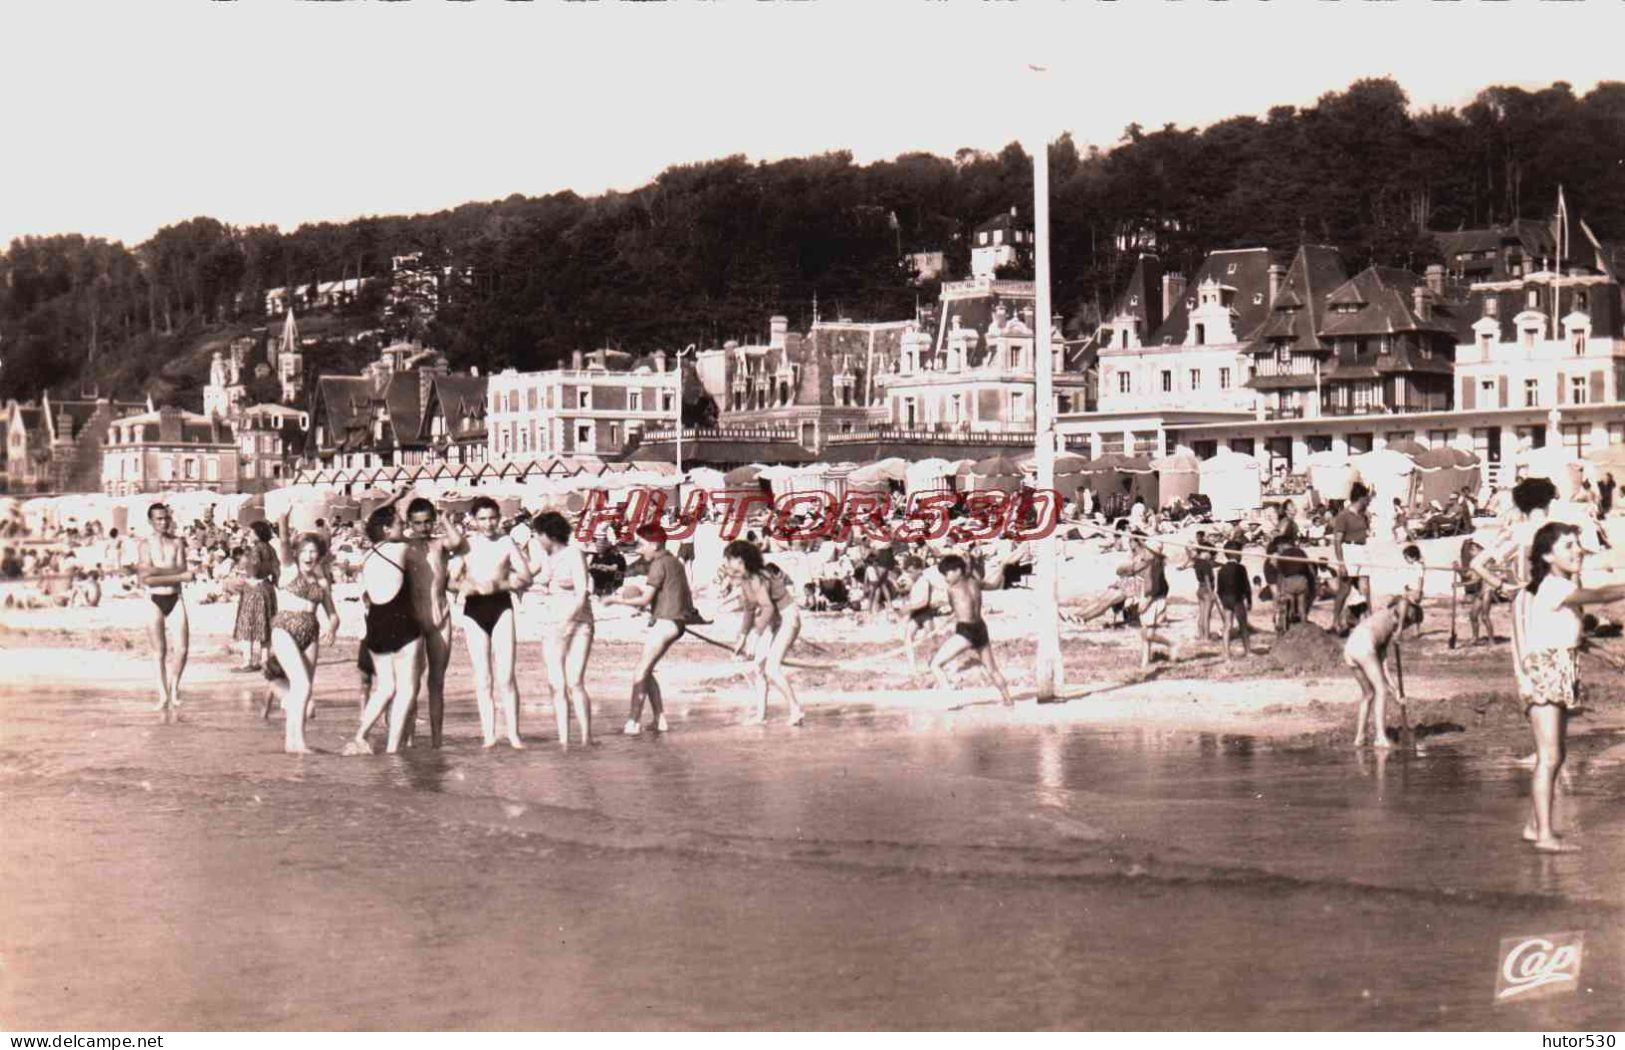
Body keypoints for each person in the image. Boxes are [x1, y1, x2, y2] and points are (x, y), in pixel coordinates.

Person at [1518, 522, 1625, 852]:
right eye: (1568, 546)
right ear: (1548, 555)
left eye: (1577, 544)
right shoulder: (1552, 586)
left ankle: (1536, 825)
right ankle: (1545, 836)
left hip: (1559, 672)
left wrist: (1605, 653)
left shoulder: (1559, 585)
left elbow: (1569, 637)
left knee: (1555, 754)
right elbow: (1602, 595)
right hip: (1546, 674)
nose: (1577, 550)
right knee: (1549, 756)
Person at [605, 522, 702, 735]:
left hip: (667, 623)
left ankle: (633, 722)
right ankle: (660, 720)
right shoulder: (674, 562)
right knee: (647, 670)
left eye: (641, 544)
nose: (639, 549)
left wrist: (615, 600)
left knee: (640, 671)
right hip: (675, 623)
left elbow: (645, 599)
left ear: (655, 544)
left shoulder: (659, 564)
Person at [453, 496, 532, 749]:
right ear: (474, 521)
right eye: (483, 519)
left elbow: (526, 576)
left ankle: (514, 735)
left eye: (493, 518)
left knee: (506, 675)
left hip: (501, 607)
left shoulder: (506, 542)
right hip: (474, 610)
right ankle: (489, 735)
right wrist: (466, 586)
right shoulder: (465, 545)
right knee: (483, 677)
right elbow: (449, 580)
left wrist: (500, 584)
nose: (488, 524)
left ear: (500, 518)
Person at [347, 505, 425, 755]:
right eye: (400, 524)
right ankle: (392, 748)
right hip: (402, 622)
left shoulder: (368, 554)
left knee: (385, 688)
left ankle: (360, 736)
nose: (405, 528)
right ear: (387, 529)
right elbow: (424, 542)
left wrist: (394, 499)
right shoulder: (403, 548)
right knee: (407, 689)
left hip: (376, 625)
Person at [263, 512, 339, 754]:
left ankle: (294, 741)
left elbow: (333, 614)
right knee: (302, 684)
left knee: (304, 689)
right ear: (296, 553)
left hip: (310, 632)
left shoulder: (323, 581)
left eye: (313, 551)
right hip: (284, 628)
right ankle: (296, 743)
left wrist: (332, 627)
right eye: (304, 551)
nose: (309, 556)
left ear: (320, 554)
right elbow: (284, 541)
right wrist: (283, 518)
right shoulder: (288, 570)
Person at [399, 496, 467, 749]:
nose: (424, 527)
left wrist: (446, 519)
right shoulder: (405, 546)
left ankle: (437, 741)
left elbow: (458, 542)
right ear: (410, 523)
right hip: (413, 620)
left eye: (428, 522)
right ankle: (409, 739)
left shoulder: (440, 544)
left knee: (436, 681)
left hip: (440, 616)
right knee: (412, 683)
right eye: (418, 523)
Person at [724, 539, 805, 726]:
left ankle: (796, 709)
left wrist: (755, 637)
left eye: (731, 559)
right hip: (774, 621)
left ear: (742, 560)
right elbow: (749, 610)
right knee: (757, 668)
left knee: (772, 668)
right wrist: (742, 637)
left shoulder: (759, 577)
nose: (728, 563)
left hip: (787, 618)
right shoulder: (745, 580)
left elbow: (767, 608)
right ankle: (761, 715)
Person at [533, 510, 596, 748]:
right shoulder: (547, 557)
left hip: (578, 623)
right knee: (556, 683)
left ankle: (586, 737)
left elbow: (582, 593)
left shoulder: (574, 554)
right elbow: (539, 581)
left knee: (574, 681)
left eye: (538, 534)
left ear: (548, 534)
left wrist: (567, 622)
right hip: (553, 623)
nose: (537, 539)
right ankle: (564, 741)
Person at [929, 552, 1016, 705]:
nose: (945, 578)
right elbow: (995, 584)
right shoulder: (975, 582)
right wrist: (1002, 566)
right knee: (992, 669)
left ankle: (950, 702)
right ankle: (1008, 700)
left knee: (935, 664)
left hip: (966, 631)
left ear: (958, 570)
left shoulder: (952, 588)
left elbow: (954, 606)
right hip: (981, 628)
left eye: (946, 573)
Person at [136, 504, 194, 712]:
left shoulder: (177, 542)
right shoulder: (145, 545)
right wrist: (177, 575)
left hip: (175, 598)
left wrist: (155, 571)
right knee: (158, 651)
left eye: (166, 519)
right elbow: (147, 580)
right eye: (159, 519)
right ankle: (162, 694)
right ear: (151, 521)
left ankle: (174, 687)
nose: (163, 522)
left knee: (183, 648)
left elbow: (182, 568)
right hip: (154, 600)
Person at [1344, 591, 1416, 749]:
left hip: (1351, 648)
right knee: (1381, 691)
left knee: (1369, 694)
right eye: (1409, 624)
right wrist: (1399, 630)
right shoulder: (1390, 613)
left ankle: (1359, 737)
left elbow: (1383, 666)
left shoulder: (1385, 633)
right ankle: (1380, 737)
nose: (1405, 629)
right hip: (1363, 644)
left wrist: (1396, 691)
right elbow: (1403, 601)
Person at [231, 520, 279, 673]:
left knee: (248, 625)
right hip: (267, 587)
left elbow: (253, 569)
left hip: (254, 588)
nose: (249, 535)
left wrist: (246, 577)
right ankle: (265, 660)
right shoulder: (271, 549)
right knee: (265, 625)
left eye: (251, 532)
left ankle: (248, 661)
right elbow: (277, 568)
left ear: (257, 534)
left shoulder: (255, 550)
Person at [1330, 482, 1373, 635]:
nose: (1368, 501)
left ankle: (1369, 620)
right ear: (1360, 498)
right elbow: (1337, 540)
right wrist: (1341, 563)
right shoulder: (1343, 516)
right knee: (1345, 588)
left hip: (1362, 549)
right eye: (1366, 498)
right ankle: (1335, 621)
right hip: (1349, 550)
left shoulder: (1363, 515)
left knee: (1365, 588)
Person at [901, 557, 949, 674]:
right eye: (908, 572)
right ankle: (913, 667)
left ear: (919, 570)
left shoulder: (924, 581)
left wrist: (909, 607)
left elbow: (924, 602)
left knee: (932, 640)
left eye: (911, 572)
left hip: (925, 613)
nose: (910, 574)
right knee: (908, 638)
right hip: (916, 614)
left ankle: (936, 663)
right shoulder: (915, 582)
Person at [1214, 541, 1252, 660]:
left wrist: (1222, 600)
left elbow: (1219, 588)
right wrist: (1249, 600)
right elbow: (1246, 586)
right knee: (1243, 626)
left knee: (1227, 626)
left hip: (1226, 599)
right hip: (1237, 599)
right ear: (1236, 554)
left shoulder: (1221, 569)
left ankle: (1226, 653)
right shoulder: (1241, 568)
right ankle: (1248, 651)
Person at [1457, 537, 1492, 646]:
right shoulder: (1476, 562)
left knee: (1485, 617)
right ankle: (1475, 638)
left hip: (1487, 591)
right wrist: (1457, 569)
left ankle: (1492, 640)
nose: (1471, 554)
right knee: (1473, 615)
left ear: (1477, 550)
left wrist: (1461, 583)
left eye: (1472, 551)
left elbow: (1476, 579)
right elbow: (1468, 575)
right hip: (1480, 592)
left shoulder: (1487, 561)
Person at [1192, 530, 1218, 643]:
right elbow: (1208, 577)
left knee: (1201, 614)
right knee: (1206, 615)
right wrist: (1212, 593)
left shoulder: (1197, 562)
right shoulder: (1206, 564)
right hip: (1207, 589)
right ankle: (1206, 637)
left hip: (1200, 589)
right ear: (1206, 552)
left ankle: (1200, 634)